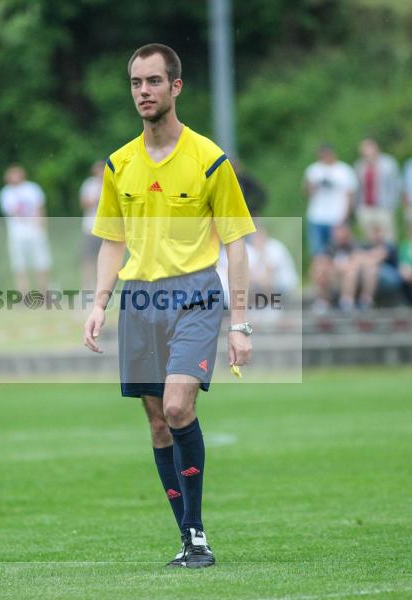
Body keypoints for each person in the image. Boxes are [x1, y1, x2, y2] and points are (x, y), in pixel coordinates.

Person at [83, 44, 254, 569]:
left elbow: (237, 241)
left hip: (196, 295)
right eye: (136, 83)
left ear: (175, 87)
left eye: (154, 82)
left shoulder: (208, 158)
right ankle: (188, 538)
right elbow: (112, 241)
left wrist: (241, 323)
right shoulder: (119, 164)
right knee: (158, 422)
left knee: (179, 406)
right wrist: (98, 304)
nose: (144, 92)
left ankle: (197, 534)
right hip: (139, 300)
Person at [0, 164, 52, 293]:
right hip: (16, 233)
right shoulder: (6, 193)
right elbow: (11, 211)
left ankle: (43, 292)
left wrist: (42, 226)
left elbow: (40, 208)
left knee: (41, 262)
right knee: (19, 265)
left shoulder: (32, 188)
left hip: (35, 231)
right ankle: (23, 293)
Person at [303, 144, 357, 257]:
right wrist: (313, 187)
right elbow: (306, 193)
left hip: (337, 217)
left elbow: (350, 195)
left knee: (337, 251)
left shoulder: (344, 170)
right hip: (317, 216)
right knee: (317, 251)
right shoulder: (313, 170)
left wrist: (346, 216)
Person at [341, 225, 401, 310]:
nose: (375, 236)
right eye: (372, 233)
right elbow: (354, 258)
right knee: (353, 270)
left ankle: (366, 301)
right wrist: (366, 259)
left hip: (390, 277)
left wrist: (364, 259)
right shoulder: (364, 245)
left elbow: (378, 258)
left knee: (371, 268)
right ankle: (347, 301)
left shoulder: (389, 246)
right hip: (367, 275)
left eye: (377, 232)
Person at [353, 138, 401, 242]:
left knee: (388, 239)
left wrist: (392, 207)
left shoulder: (389, 164)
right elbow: (357, 189)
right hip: (365, 208)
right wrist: (357, 208)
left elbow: (395, 187)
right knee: (367, 239)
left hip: (384, 207)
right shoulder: (359, 165)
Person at [247, 222, 298, 303]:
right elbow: (249, 274)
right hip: (263, 284)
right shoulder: (250, 250)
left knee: (266, 282)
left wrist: (261, 253)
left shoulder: (275, 247)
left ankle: (270, 307)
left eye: (260, 235)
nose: (258, 238)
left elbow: (269, 272)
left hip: (284, 285)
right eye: (255, 236)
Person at [311, 224, 357, 312]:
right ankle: (323, 301)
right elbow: (323, 261)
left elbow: (355, 262)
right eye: (337, 232)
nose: (339, 234)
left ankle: (347, 301)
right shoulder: (330, 247)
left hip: (351, 278)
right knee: (320, 271)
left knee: (351, 273)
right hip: (334, 277)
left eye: (341, 231)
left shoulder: (353, 245)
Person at [79, 160, 104, 292]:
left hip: (107, 228)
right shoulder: (88, 184)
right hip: (90, 226)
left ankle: (103, 288)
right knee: (88, 258)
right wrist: (97, 200)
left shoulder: (110, 183)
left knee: (105, 259)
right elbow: (84, 202)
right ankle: (87, 288)